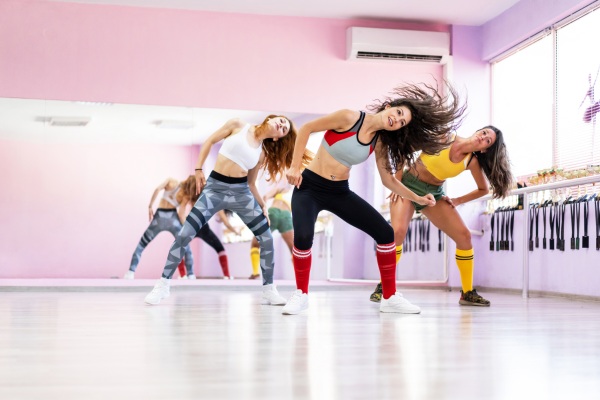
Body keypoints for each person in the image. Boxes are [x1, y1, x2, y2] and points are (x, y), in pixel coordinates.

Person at [281, 83, 466, 315]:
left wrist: (418, 197)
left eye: (402, 123)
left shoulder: (379, 142)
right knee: (304, 237)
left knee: (386, 234)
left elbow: (388, 181)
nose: (396, 120)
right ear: (389, 106)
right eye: (398, 113)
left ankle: (389, 297)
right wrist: (295, 167)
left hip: (339, 191)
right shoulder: (349, 117)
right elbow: (307, 128)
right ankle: (301, 295)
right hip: (309, 187)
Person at [144, 115, 310, 305]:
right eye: (281, 121)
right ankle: (163, 285)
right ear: (271, 118)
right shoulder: (238, 125)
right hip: (214, 189)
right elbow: (210, 141)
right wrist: (198, 169)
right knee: (184, 234)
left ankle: (268, 290)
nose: (281, 125)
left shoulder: (261, 153)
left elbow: (251, 183)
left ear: (276, 138)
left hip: (241, 193)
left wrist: (262, 205)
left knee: (266, 237)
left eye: (284, 129)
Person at [368, 126, 513, 306]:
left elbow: (483, 189)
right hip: (407, 184)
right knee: (397, 232)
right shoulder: (445, 136)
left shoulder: (471, 162)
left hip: (433, 194)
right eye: (484, 133)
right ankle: (383, 287)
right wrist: (396, 182)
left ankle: (467, 293)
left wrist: (458, 200)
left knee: (464, 236)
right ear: (477, 131)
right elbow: (404, 150)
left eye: (487, 141)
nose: (482, 138)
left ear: (485, 149)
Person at [124, 176, 198, 280]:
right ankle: (191, 275)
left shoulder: (171, 181)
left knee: (142, 244)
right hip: (173, 220)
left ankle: (130, 272)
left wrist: (150, 206)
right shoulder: (185, 195)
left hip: (159, 218)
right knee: (185, 247)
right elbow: (181, 215)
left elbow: (157, 189)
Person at [176, 210, 240, 279]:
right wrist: (236, 231)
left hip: (194, 226)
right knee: (220, 249)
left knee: (179, 248)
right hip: (202, 227)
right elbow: (225, 222)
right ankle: (227, 276)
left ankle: (183, 275)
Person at [249, 182, 294, 279]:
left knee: (255, 243)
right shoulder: (296, 194)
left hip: (273, 212)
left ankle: (255, 272)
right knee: (294, 249)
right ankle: (299, 275)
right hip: (286, 216)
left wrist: (263, 210)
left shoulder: (281, 189)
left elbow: (265, 196)